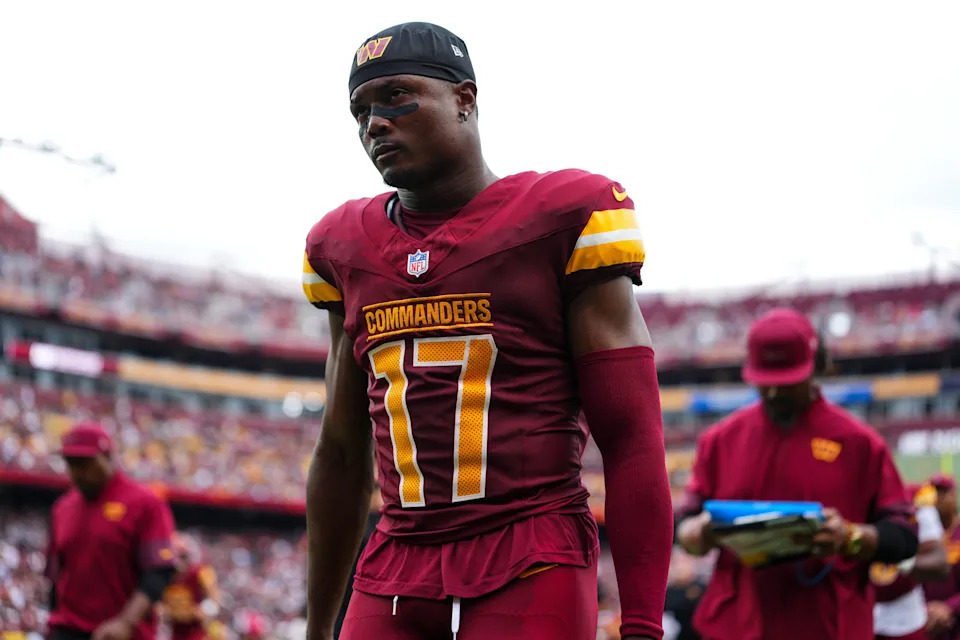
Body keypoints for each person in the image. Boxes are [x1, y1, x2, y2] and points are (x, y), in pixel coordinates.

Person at [302, 21, 672, 640]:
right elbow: (341, 450)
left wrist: (641, 625)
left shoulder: (562, 216)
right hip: (395, 561)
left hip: (529, 551)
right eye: (360, 110)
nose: (375, 123)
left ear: (465, 99)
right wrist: (317, 628)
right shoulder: (343, 246)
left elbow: (631, 435)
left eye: (398, 96)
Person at [675, 308, 918, 640]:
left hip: (829, 623)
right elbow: (685, 521)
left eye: (786, 383)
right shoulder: (720, 440)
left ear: (815, 366)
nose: (774, 393)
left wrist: (851, 537)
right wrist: (697, 532)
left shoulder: (860, 442)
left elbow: (904, 537)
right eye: (765, 384)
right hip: (737, 624)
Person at [46, 423, 177, 640]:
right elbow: (55, 574)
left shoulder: (145, 503)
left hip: (123, 633)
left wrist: (126, 622)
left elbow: (159, 572)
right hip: (67, 629)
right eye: (71, 463)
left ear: (108, 456)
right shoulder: (62, 508)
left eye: (85, 463)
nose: (77, 472)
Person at [871, 483, 948, 640]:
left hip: (904, 618)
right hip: (855, 612)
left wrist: (896, 560)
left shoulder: (915, 500)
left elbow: (939, 564)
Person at [159, 533, 221, 640]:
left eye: (182, 556)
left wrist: (203, 610)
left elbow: (215, 599)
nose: (178, 561)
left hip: (195, 630)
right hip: (174, 630)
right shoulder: (163, 576)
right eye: (175, 556)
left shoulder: (200, 572)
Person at [922, 473, 960, 639]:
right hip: (927, 623)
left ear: (953, 496)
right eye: (933, 494)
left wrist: (949, 608)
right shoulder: (923, 536)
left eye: (942, 493)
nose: (937, 499)